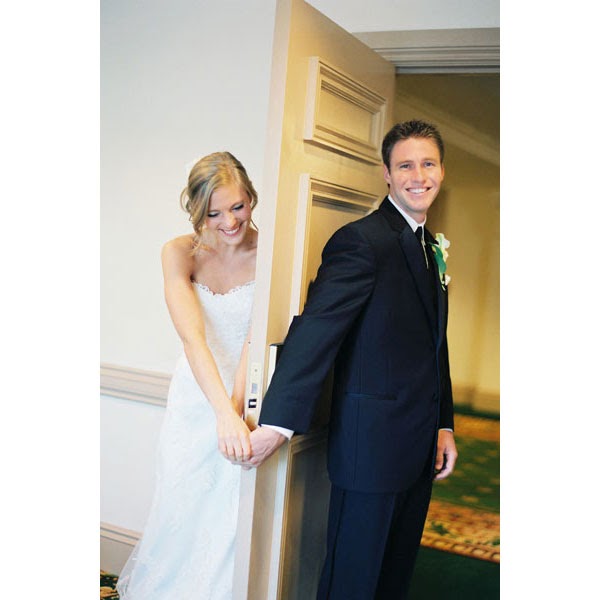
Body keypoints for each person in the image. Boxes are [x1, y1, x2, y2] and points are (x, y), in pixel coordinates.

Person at [236, 120, 458, 599]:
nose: (418, 176)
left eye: (428, 164)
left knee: (393, 579)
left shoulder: (429, 246)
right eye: (405, 165)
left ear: (441, 170)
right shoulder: (362, 241)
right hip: (370, 452)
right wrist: (277, 423)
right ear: (386, 173)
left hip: (419, 447)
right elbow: (318, 330)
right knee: (352, 585)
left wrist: (444, 424)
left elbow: (434, 345)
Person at [117, 151, 258, 599]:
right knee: (182, 506)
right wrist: (221, 413)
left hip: (247, 397)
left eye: (238, 206)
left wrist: (237, 412)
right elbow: (193, 338)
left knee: (230, 516)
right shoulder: (179, 252)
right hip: (195, 400)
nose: (230, 222)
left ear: (251, 197)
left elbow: (254, 341)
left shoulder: (272, 252)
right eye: (214, 213)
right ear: (197, 211)